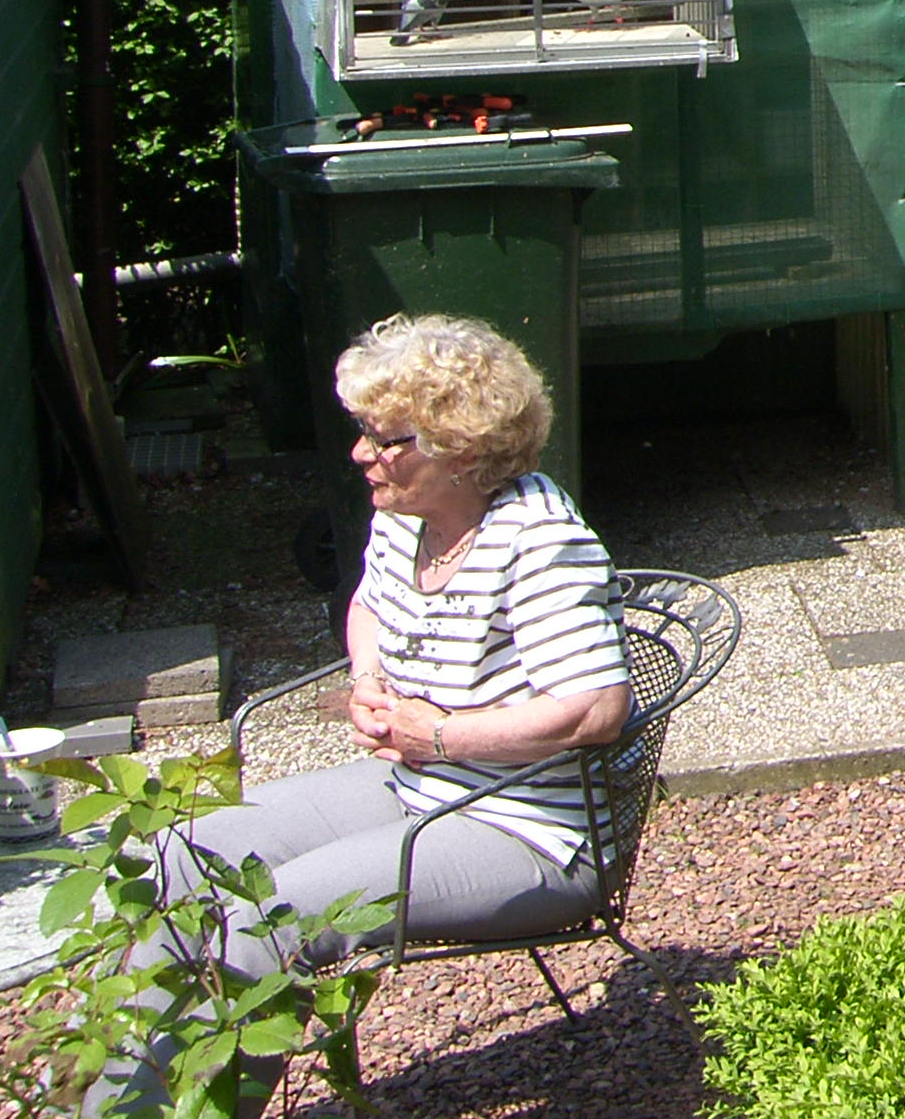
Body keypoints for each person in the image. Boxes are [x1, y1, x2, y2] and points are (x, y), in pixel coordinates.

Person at [192, 313, 633, 968]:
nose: (360, 453)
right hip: (417, 785)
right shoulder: (406, 516)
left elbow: (595, 710)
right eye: (363, 431)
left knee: (272, 917)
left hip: (530, 831)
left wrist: (439, 737)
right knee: (183, 854)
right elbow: (369, 605)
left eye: (384, 439)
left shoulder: (539, 541)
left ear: (461, 450)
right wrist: (367, 680)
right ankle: (129, 1036)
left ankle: (208, 1039)